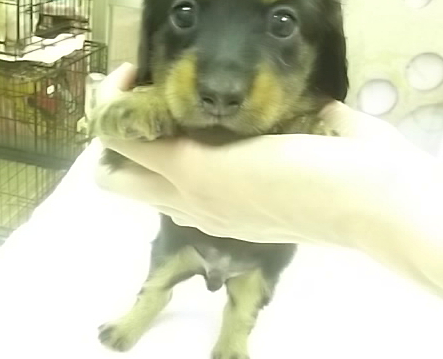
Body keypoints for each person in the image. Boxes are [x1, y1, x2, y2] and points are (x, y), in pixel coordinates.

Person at [95, 63, 443, 299]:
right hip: (183, 233)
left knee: (248, 295)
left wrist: (356, 200)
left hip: (261, 251)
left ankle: (236, 331)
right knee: (161, 271)